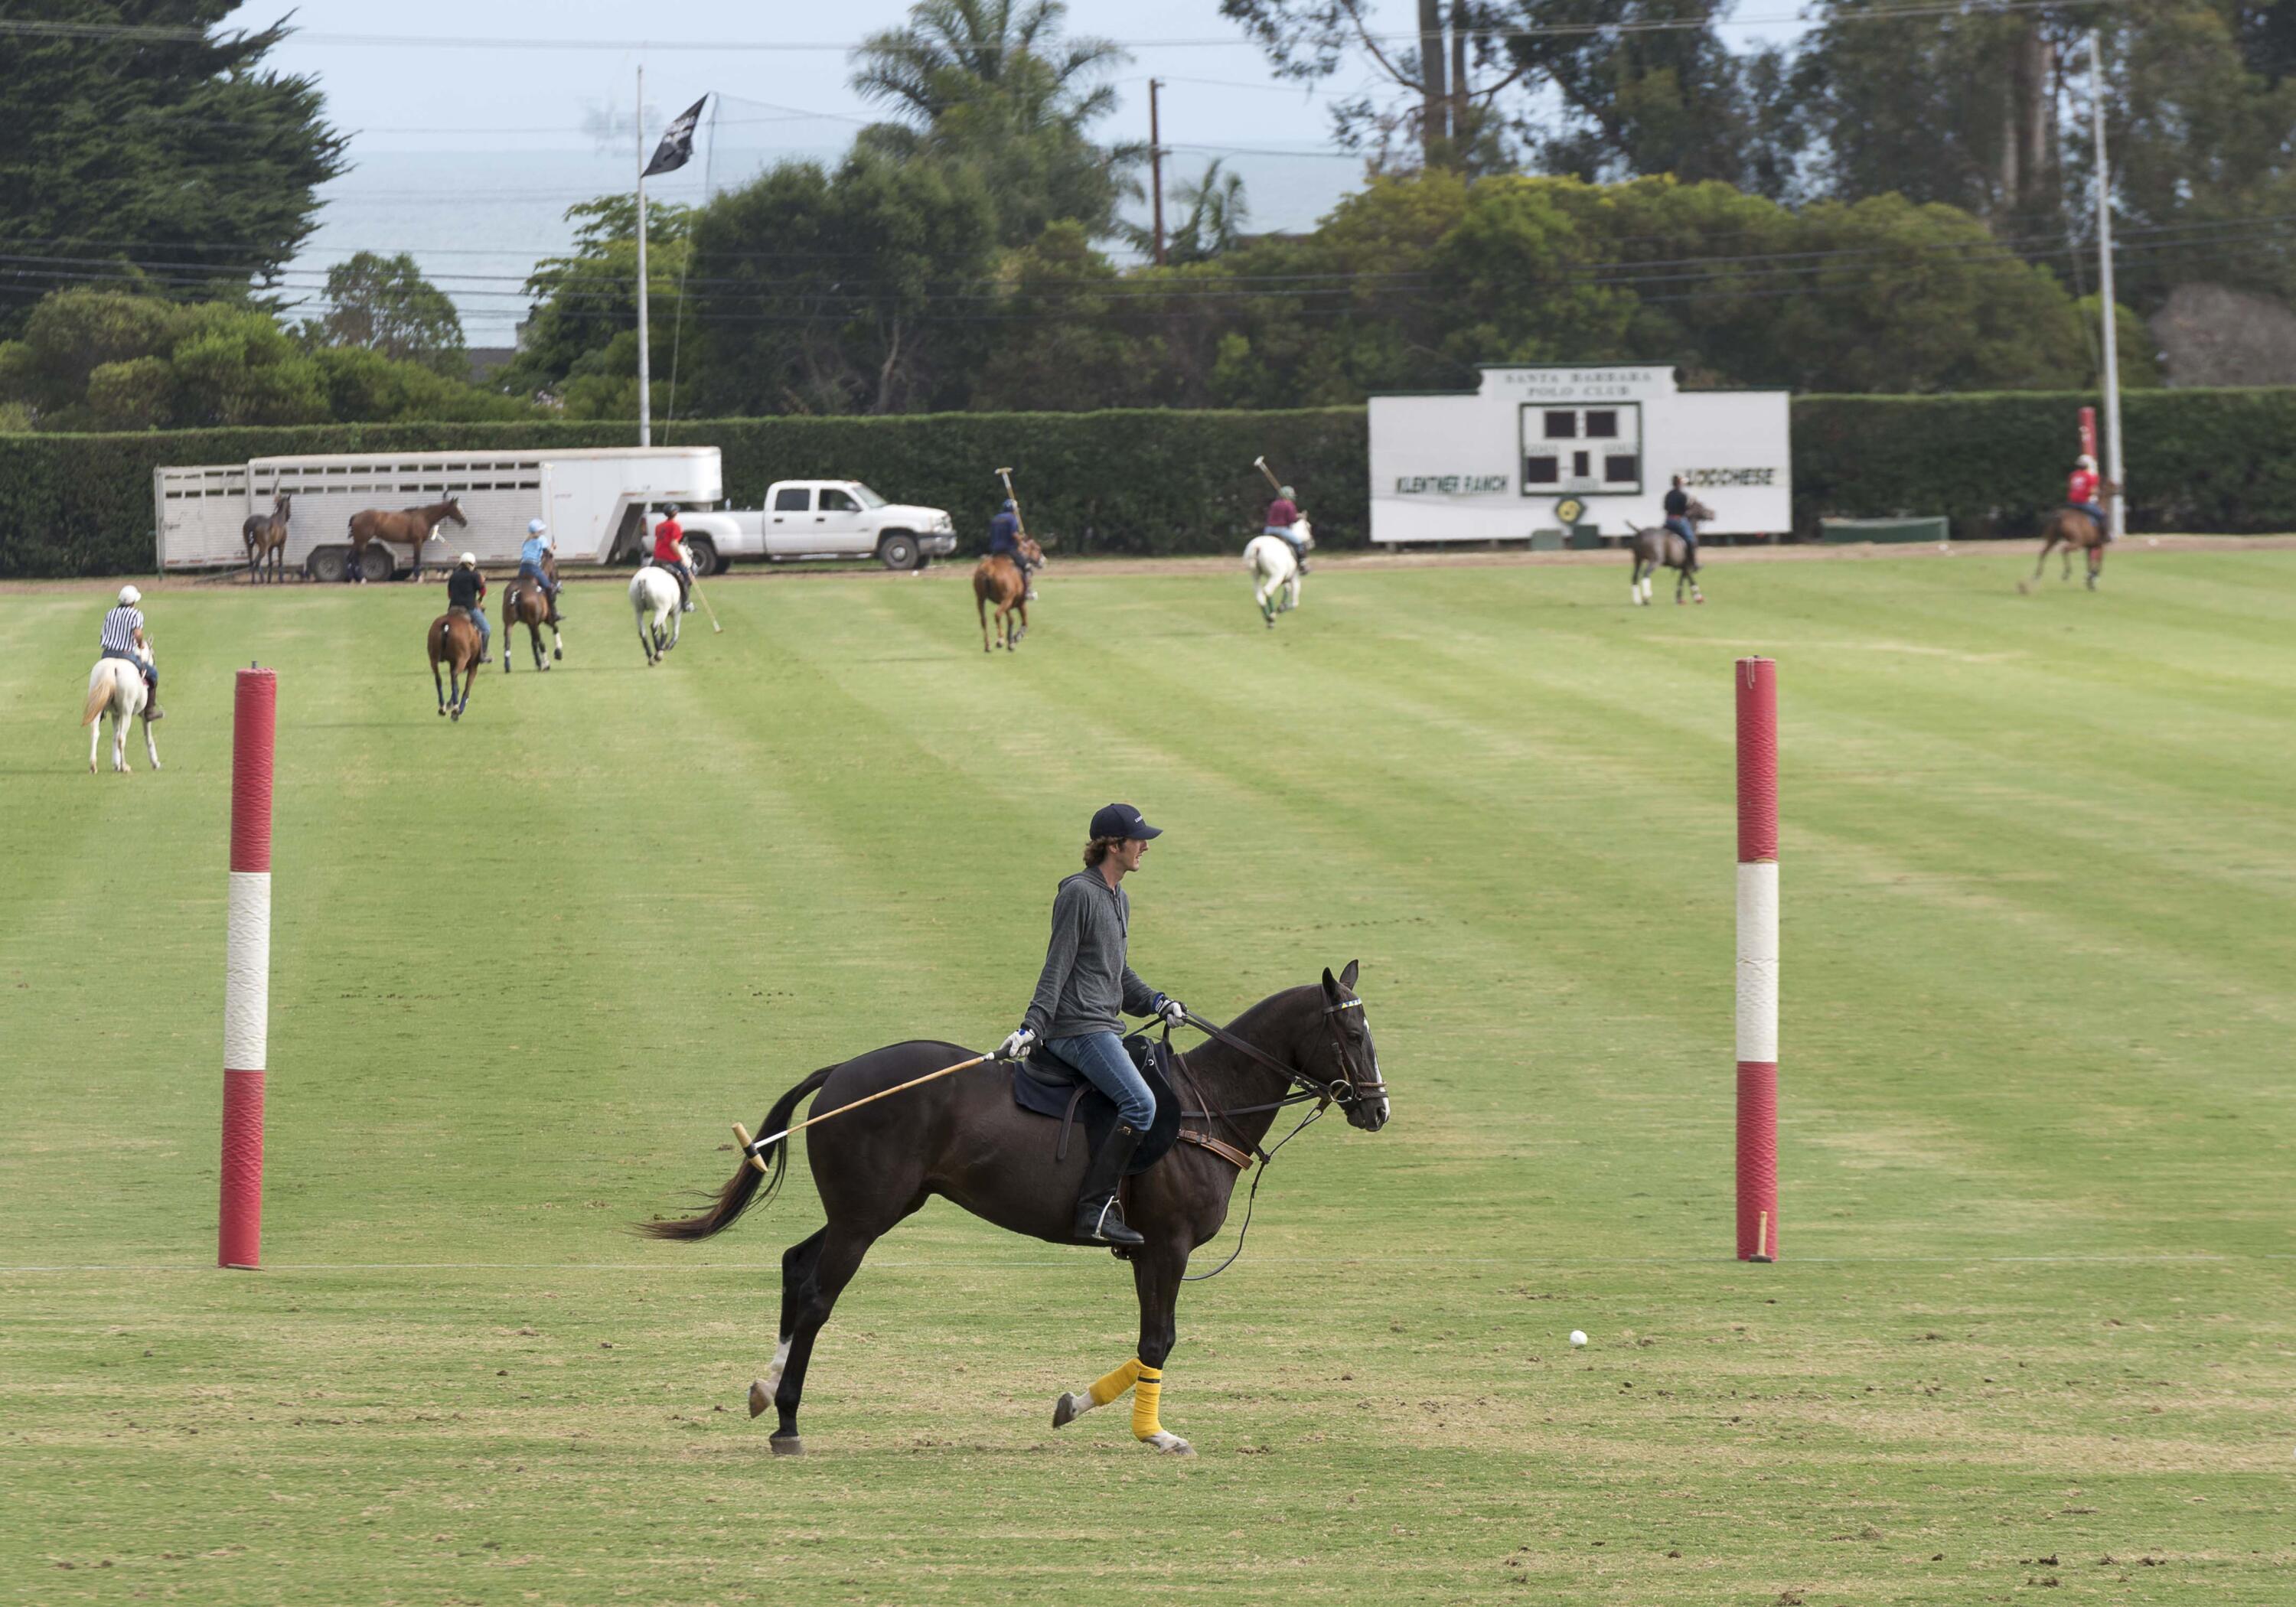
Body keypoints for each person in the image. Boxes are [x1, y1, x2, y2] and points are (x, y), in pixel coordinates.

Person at [999, 803, 1189, 1248]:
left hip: (1104, 1026)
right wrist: (1033, 1026)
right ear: (1113, 845)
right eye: (1139, 840)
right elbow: (1057, 967)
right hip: (1077, 1031)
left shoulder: (1119, 897)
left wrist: (1158, 1002)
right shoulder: (1078, 894)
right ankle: (1095, 1210)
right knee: (1142, 1105)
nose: (1145, 847)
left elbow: (1117, 973)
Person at [99, 585, 163, 720]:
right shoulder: (136, 614)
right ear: (133, 602)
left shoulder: (110, 613)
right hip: (126, 654)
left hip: (107, 654)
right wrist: (140, 644)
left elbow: (103, 635)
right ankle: (149, 711)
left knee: (100, 677)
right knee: (153, 674)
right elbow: (138, 634)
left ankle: (100, 710)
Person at [445, 552, 491, 663]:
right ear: (472, 564)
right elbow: (483, 592)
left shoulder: (453, 575)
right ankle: (483, 654)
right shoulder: (475, 575)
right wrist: (482, 582)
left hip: (452, 608)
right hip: (469, 608)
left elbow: (449, 595)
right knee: (486, 629)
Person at [988, 498, 1036, 600]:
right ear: (1013, 509)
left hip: (995, 551)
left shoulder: (995, 519)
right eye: (1016, 510)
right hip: (1008, 550)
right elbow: (1014, 535)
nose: (1017, 511)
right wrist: (1022, 543)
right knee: (1027, 567)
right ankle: (1027, 591)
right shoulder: (1012, 518)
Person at [517, 518, 562, 619]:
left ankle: (518, 609)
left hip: (523, 568)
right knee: (549, 587)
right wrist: (553, 547)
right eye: (540, 530)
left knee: (519, 589)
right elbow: (548, 554)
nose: (541, 532)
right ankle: (553, 612)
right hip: (533, 568)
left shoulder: (525, 540)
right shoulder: (541, 539)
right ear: (537, 531)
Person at [652, 509, 694, 612]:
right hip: (669, 559)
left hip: (657, 558)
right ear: (675, 513)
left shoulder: (659, 526)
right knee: (687, 577)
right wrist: (681, 558)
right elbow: (673, 544)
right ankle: (685, 603)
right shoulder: (675, 526)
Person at [1265, 484, 1309, 572]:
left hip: (1268, 529)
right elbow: (1292, 520)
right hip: (1281, 530)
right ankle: (1302, 564)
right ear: (1288, 495)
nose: (1292, 497)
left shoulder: (1275, 503)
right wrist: (1299, 516)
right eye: (1292, 495)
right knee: (1300, 544)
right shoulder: (1290, 505)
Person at [2067, 454, 2108, 539]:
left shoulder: (2073, 475)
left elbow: (2071, 487)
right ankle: (2105, 535)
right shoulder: (2090, 477)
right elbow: (2092, 491)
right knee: (2102, 515)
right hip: (2083, 503)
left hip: (2071, 503)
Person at [1664, 474, 1699, 556]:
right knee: (1691, 539)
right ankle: (1692, 561)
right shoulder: (1682, 495)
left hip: (1668, 520)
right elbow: (1685, 509)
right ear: (1679, 484)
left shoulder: (1668, 494)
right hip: (1678, 520)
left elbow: (1665, 507)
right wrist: (1690, 503)